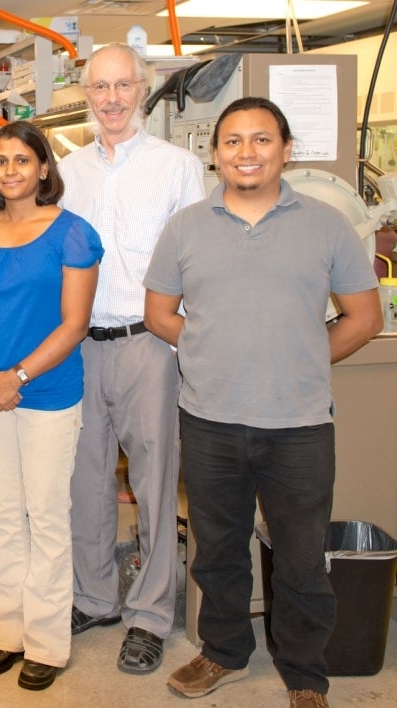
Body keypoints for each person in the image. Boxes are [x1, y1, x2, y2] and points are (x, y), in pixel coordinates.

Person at [144, 97, 382, 708]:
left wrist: (303, 357)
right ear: (215, 153)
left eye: (260, 140)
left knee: (301, 559)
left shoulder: (325, 225)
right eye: (232, 142)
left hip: (298, 426)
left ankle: (305, 674)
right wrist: (204, 348)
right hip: (210, 422)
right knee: (218, 550)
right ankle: (223, 652)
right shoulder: (186, 227)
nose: (246, 153)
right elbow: (158, 314)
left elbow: (363, 316)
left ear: (286, 149)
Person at [57, 42, 205, 674]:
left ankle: (149, 612)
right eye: (100, 88)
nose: (111, 99)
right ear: (84, 94)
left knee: (152, 483)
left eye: (123, 87)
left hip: (151, 343)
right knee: (84, 479)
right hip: (80, 345)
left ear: (142, 90)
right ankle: (94, 596)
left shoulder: (177, 167)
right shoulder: (68, 172)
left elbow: (197, 263)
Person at [0, 121, 103, 690]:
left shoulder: (73, 234)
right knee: (3, 515)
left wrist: (16, 376)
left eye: (21, 160)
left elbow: (74, 324)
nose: (9, 170)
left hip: (47, 395)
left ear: (43, 168)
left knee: (46, 517)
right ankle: (6, 630)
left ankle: (46, 642)